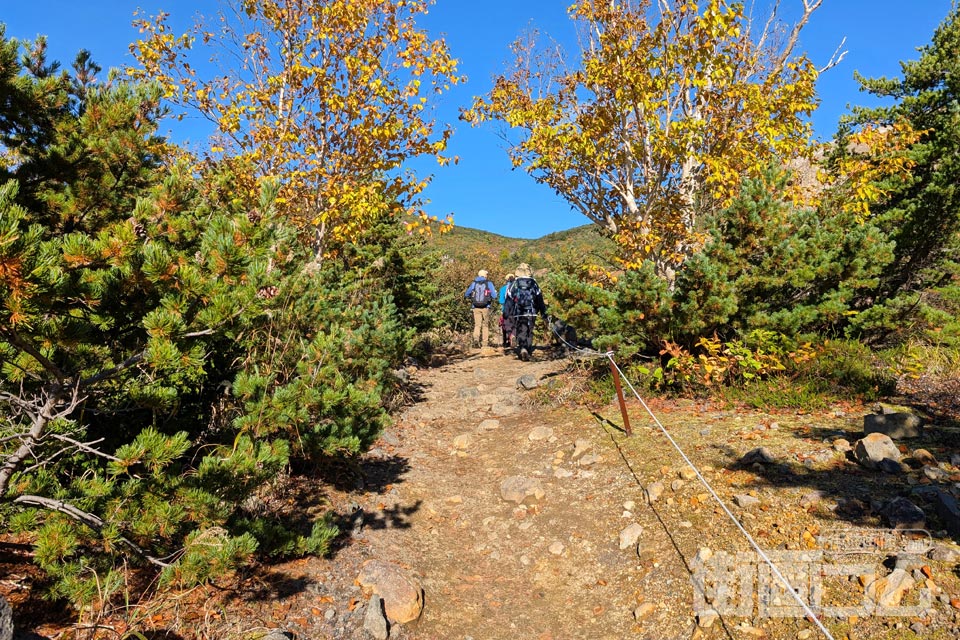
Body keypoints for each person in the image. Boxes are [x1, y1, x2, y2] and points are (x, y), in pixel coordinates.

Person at [503, 263, 547, 361]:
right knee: (529, 330)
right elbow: (539, 299)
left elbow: (509, 300)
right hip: (532, 311)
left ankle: (523, 348)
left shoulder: (514, 283)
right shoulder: (534, 283)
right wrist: (544, 313)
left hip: (518, 311)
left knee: (521, 330)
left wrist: (506, 313)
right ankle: (528, 348)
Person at [464, 269, 497, 348]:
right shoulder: (489, 283)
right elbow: (494, 296)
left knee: (477, 325)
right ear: (484, 275)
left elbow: (466, 294)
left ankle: (476, 340)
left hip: (475, 306)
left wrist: (471, 298)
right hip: (486, 306)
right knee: (485, 325)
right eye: (486, 274)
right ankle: (484, 343)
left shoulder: (474, 283)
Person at [498, 273, 515, 352]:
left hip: (506, 309)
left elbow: (501, 301)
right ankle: (513, 336)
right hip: (515, 309)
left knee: (506, 325)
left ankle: (507, 340)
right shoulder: (516, 288)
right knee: (514, 324)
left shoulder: (503, 288)